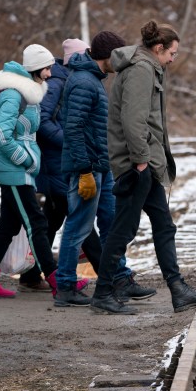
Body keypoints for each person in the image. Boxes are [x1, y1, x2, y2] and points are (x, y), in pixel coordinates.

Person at [89, 21, 196, 315]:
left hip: (144, 163)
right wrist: (141, 161)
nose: (173, 59)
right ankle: (103, 292)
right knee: (123, 229)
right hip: (137, 165)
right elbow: (134, 121)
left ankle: (178, 289)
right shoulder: (141, 70)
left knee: (163, 226)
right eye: (172, 53)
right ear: (158, 48)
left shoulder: (146, 67)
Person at [54, 31, 157, 307]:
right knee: (78, 226)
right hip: (87, 169)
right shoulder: (84, 83)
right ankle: (64, 286)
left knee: (113, 222)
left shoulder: (94, 80)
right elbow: (73, 129)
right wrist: (84, 170)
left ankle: (119, 279)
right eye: (118, 55)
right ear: (107, 56)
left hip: (102, 166)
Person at [0, 44, 73, 299]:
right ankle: (57, 282)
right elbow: (1, 136)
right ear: (35, 69)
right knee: (37, 223)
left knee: (9, 225)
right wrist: (26, 159)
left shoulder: (29, 93)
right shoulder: (13, 95)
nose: (51, 73)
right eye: (47, 68)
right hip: (12, 169)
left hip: (20, 169)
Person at [18, 38, 93, 292]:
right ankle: (110, 274)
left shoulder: (66, 80)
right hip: (55, 162)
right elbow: (43, 122)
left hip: (57, 161)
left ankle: (30, 273)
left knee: (54, 217)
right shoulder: (58, 83)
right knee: (79, 215)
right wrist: (69, 141)